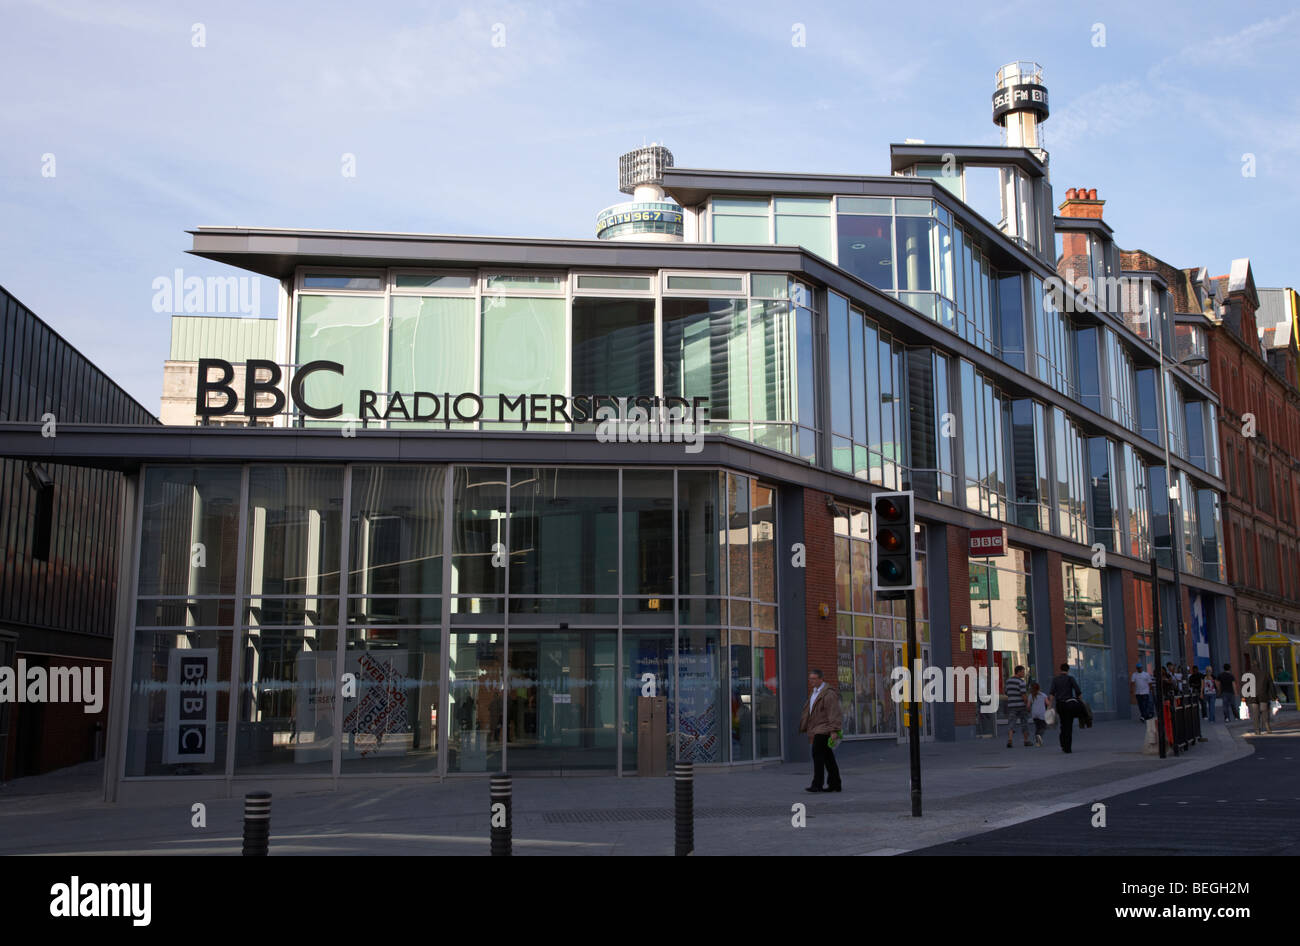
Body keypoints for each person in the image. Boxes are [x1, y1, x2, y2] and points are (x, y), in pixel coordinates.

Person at [799, 669, 843, 792]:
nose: (811, 681)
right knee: (828, 757)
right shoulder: (814, 692)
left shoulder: (828, 694)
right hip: (817, 728)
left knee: (817, 754)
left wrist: (834, 730)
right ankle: (835, 784)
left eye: (813, 679)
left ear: (820, 679)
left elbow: (834, 712)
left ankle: (817, 784)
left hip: (824, 729)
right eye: (810, 678)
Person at [1047, 662, 1083, 753]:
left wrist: (1050, 705)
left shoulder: (1055, 680)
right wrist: (1080, 701)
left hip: (1060, 705)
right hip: (1069, 704)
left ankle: (1062, 742)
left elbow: (1052, 693)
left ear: (1060, 669)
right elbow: (1078, 691)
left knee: (1063, 724)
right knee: (1069, 725)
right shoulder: (1070, 679)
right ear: (1068, 670)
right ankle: (1068, 747)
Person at [1005, 665, 1031, 748]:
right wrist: (1027, 704)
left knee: (1011, 723)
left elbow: (1006, 692)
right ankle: (1026, 741)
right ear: (1018, 672)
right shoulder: (1021, 682)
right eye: (1023, 672)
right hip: (1021, 705)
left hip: (1011, 705)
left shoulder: (1008, 681)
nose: (1024, 673)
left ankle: (1010, 740)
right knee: (1024, 723)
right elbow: (1023, 694)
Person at [1251, 671, 1276, 735]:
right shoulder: (1266, 673)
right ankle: (1268, 728)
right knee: (1265, 711)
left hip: (1253, 696)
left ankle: (1257, 730)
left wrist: (1244, 697)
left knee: (1255, 713)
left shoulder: (1248, 673)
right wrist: (1274, 696)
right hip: (1263, 695)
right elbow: (1271, 685)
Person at [1029, 682, 1048, 747]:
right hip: (1041, 713)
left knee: (1037, 727)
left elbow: (1028, 705)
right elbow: (1048, 703)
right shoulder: (1043, 695)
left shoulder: (1031, 696)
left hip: (1034, 714)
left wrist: (1029, 710)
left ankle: (1038, 742)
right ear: (1039, 688)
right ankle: (1039, 735)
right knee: (1043, 726)